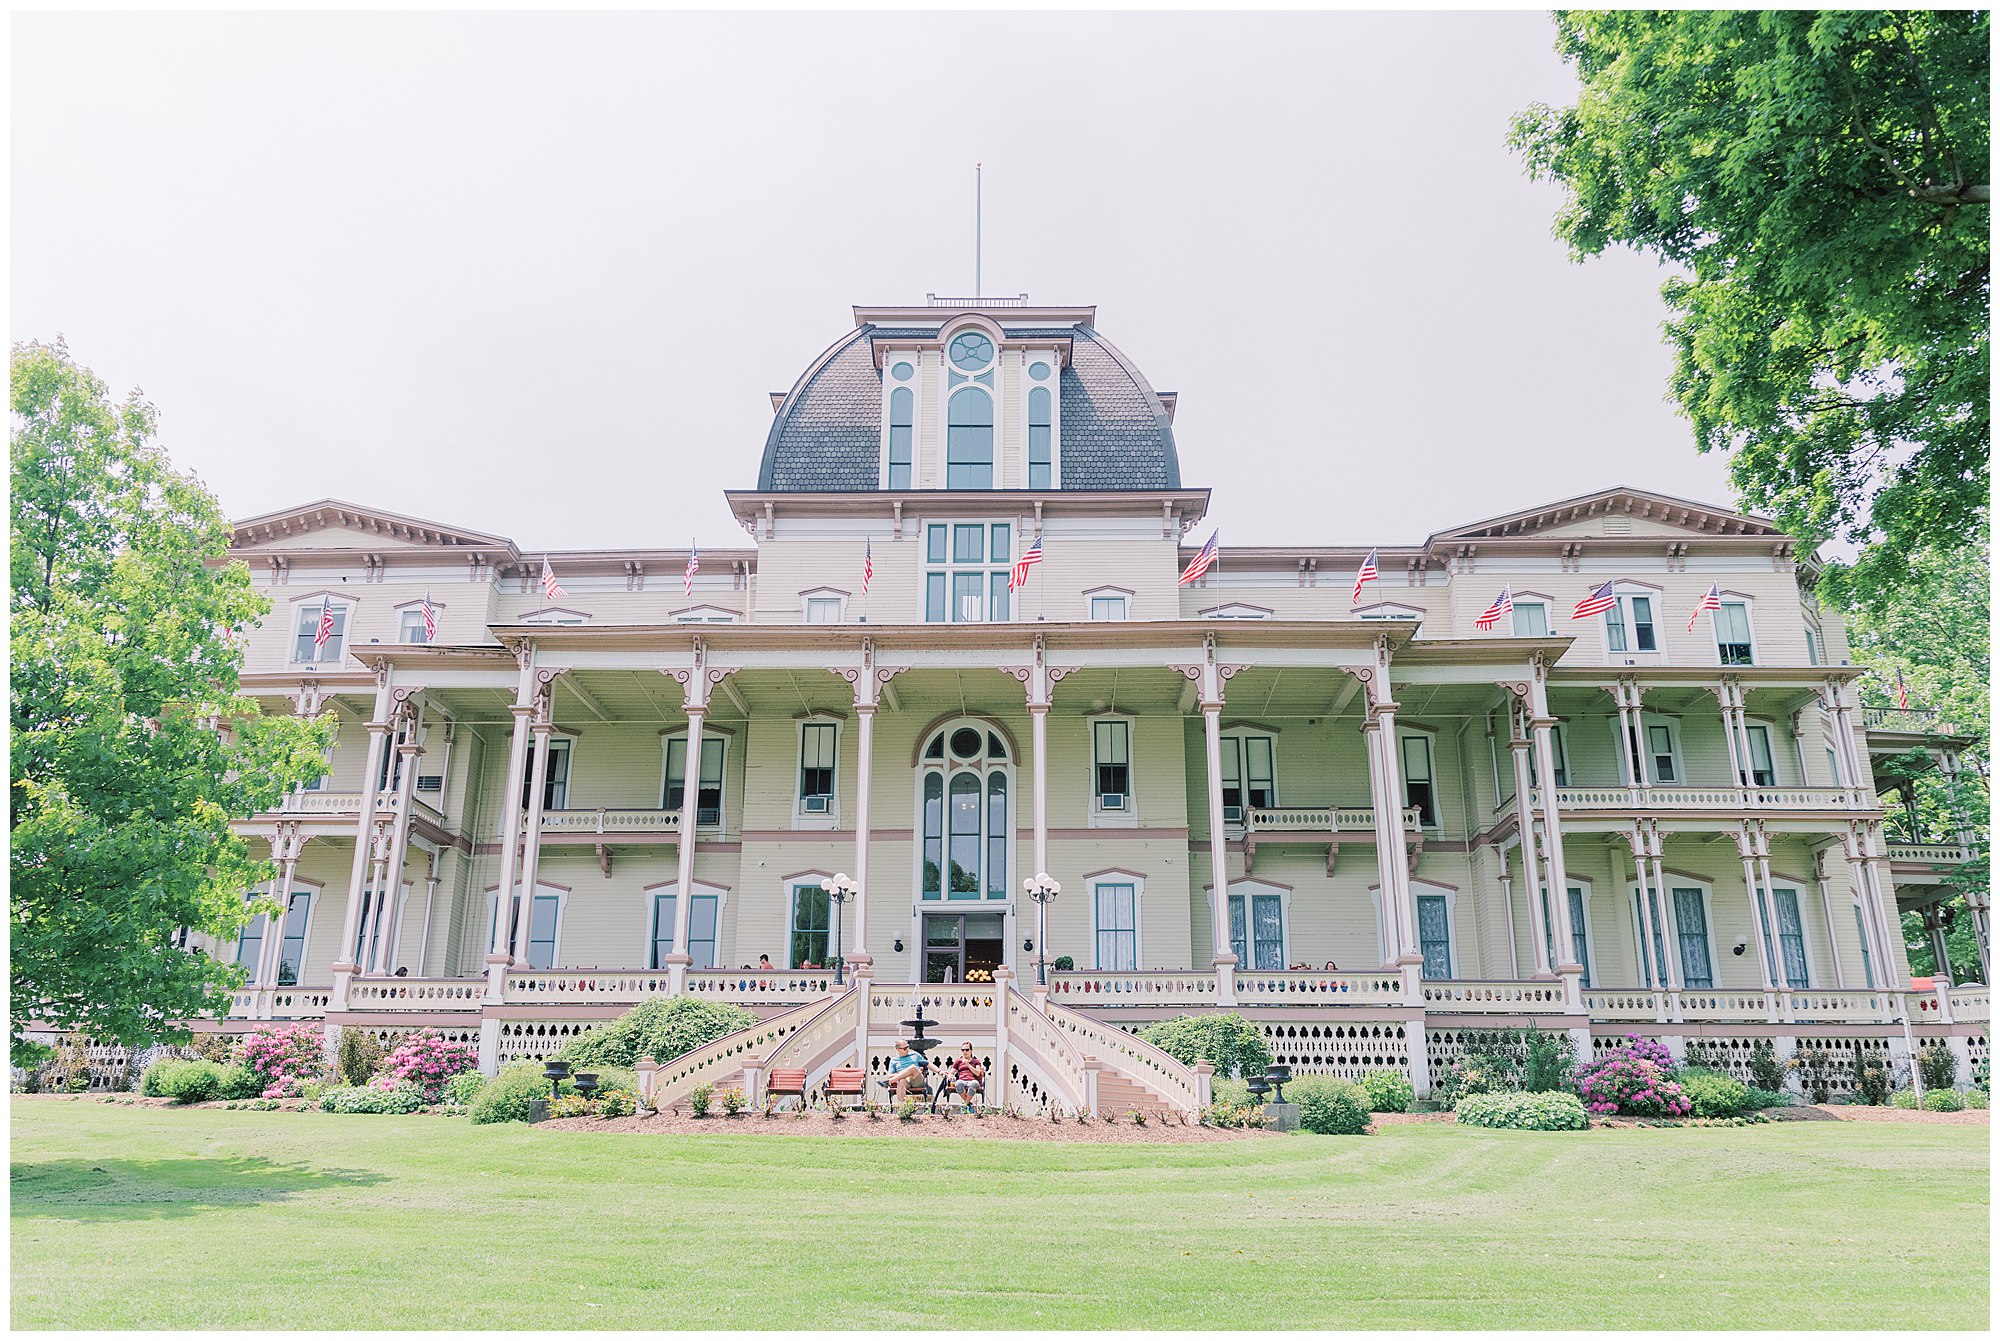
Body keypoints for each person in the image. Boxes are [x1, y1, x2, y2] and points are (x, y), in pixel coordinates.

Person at [949, 1042, 985, 1113]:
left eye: (967, 1050)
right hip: (962, 1080)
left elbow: (978, 1073)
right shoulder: (958, 1061)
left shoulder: (976, 1061)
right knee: (958, 1083)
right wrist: (950, 1075)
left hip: (972, 1080)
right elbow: (951, 1072)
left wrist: (968, 1065)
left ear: (971, 1050)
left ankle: (965, 1105)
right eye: (963, 1050)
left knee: (973, 1084)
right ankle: (968, 1104)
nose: (965, 1052)